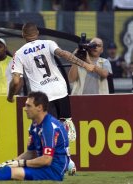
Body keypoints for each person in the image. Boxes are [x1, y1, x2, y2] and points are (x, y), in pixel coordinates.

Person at [7, 22, 95, 175]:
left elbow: (15, 81)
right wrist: (85, 65)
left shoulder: (19, 53)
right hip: (61, 90)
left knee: (50, 131)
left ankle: (63, 161)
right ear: (38, 33)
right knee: (64, 126)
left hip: (42, 97)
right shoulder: (48, 43)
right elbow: (64, 54)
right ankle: (68, 160)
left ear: (23, 35)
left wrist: (10, 96)